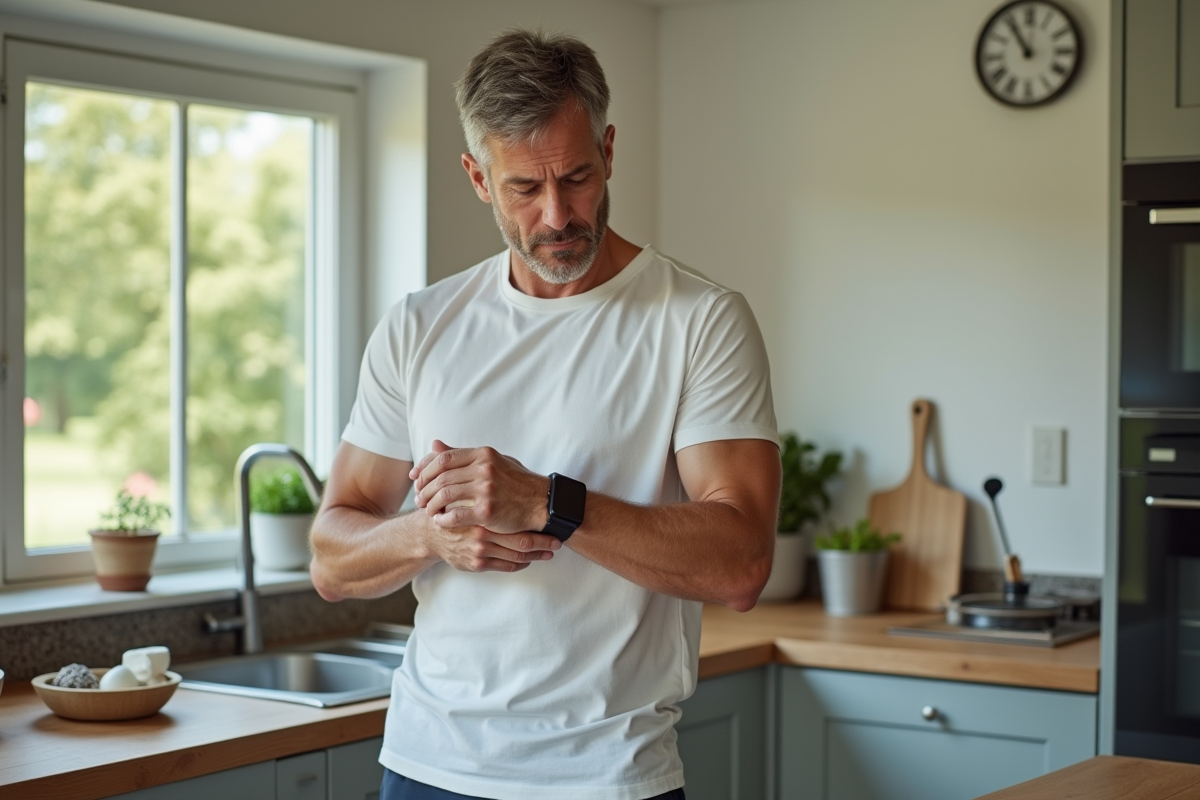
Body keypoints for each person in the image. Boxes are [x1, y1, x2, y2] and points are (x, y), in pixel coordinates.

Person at [310, 28, 781, 800]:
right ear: (477, 177)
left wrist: (550, 504)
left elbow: (741, 565)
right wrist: (429, 534)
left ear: (610, 148)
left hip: (605, 775)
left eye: (578, 177)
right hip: (426, 766)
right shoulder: (420, 325)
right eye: (524, 189)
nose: (558, 215)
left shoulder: (698, 319)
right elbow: (332, 556)